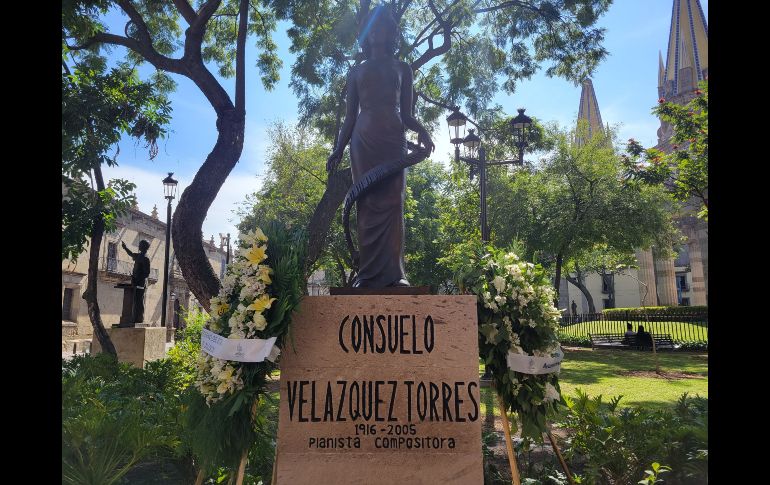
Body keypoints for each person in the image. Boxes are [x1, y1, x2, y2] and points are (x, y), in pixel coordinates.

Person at [326, 6, 434, 288]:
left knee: (393, 201)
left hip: (393, 137)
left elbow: (408, 114)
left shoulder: (403, 68)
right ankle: (367, 274)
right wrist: (338, 149)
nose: (377, 33)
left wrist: (423, 131)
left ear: (390, 33)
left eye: (383, 28)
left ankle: (396, 275)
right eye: (372, 28)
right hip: (363, 139)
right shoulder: (356, 72)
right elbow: (350, 116)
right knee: (368, 202)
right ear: (366, 34)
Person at [122, 240, 151, 322]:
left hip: (140, 283)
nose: (139, 246)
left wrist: (138, 278)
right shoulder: (139, 255)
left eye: (140, 244)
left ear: (144, 246)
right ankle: (133, 317)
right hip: (135, 281)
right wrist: (125, 248)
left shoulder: (145, 258)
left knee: (139, 300)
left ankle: (139, 319)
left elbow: (146, 273)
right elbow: (131, 254)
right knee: (134, 299)